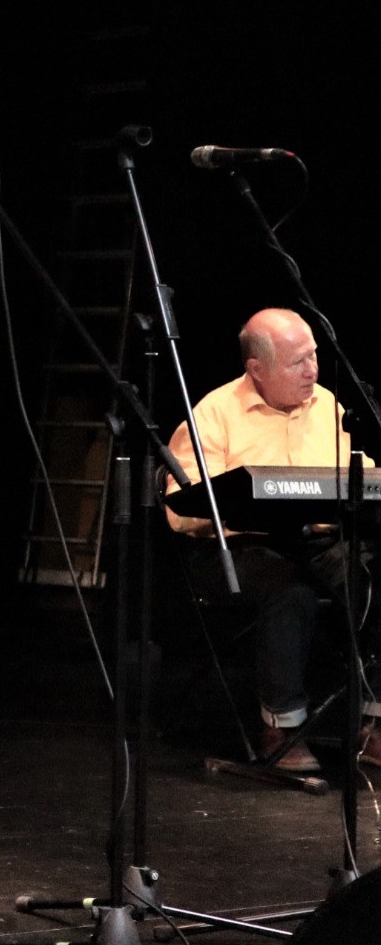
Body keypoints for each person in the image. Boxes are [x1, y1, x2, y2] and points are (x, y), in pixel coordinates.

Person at [165, 307, 380, 773]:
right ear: (256, 369)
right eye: (297, 362)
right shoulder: (214, 414)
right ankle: (279, 728)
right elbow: (181, 510)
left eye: (314, 356)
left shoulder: (328, 407)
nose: (312, 370)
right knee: (288, 589)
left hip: (316, 542)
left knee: (373, 573)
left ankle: (373, 724)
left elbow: (359, 482)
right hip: (235, 549)